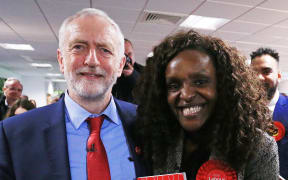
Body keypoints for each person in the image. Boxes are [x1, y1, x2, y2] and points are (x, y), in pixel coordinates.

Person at [0, 8, 146, 180]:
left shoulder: (147, 124)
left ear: (120, 65)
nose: (92, 60)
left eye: (105, 50)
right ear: (61, 60)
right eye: (79, 47)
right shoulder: (14, 134)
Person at [134, 30, 279, 179]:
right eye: (174, 85)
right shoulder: (156, 139)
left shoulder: (259, 147)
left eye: (200, 82)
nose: (186, 94)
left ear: (223, 86)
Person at [250, 47, 288, 179]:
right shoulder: (239, 112)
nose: (259, 78)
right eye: (254, 72)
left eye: (266, 71)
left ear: (278, 75)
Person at [112, 39, 144, 103]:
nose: (127, 58)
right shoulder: (110, 72)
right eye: (123, 55)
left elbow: (149, 90)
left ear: (134, 53)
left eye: (129, 54)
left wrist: (132, 75)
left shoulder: (144, 71)